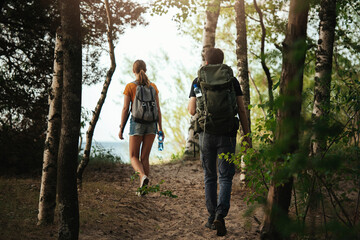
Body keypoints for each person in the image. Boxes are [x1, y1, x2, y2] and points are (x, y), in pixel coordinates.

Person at [188, 48, 251, 236]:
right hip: (228, 132)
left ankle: (211, 217)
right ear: (222, 62)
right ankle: (220, 216)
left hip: (207, 132)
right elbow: (241, 109)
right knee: (225, 177)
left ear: (206, 62)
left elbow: (192, 111)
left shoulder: (198, 81)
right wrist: (247, 136)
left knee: (210, 176)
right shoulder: (231, 81)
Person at [118, 59, 164, 195]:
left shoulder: (130, 87)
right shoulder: (153, 87)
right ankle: (143, 189)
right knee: (145, 158)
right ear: (146, 69)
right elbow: (158, 109)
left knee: (133, 156)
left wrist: (121, 128)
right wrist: (160, 128)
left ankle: (142, 176)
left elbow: (126, 108)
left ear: (134, 71)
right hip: (152, 125)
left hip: (137, 124)